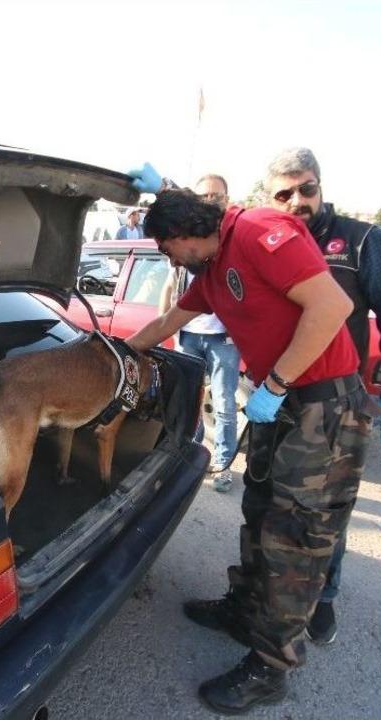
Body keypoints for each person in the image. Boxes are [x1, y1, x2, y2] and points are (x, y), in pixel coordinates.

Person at [124, 178, 370, 713]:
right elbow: (171, 319)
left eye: (166, 249)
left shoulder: (258, 231)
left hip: (320, 407)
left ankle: (270, 666)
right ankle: (244, 610)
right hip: (281, 402)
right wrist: (119, 350)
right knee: (260, 513)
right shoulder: (210, 270)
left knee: (296, 537)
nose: (168, 259)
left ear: (184, 234)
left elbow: (330, 306)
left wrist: (277, 384)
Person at [264, 147, 381, 645]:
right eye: (284, 193)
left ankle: (322, 600)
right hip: (277, 394)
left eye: (306, 188)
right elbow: (207, 218)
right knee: (274, 504)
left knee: (326, 511)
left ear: (321, 186)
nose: (296, 201)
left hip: (335, 402)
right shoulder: (266, 239)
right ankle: (267, 596)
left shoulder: (358, 242)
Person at [158, 174, 241, 492]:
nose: (211, 201)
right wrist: (167, 331)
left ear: (227, 198)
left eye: (217, 196)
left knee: (223, 404)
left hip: (223, 339)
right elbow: (169, 288)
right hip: (188, 334)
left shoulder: (229, 241)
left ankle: (222, 465)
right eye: (204, 195)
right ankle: (187, 458)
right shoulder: (184, 240)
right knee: (187, 401)